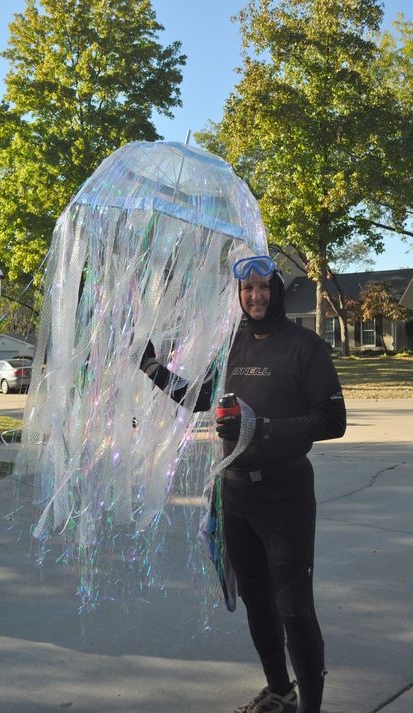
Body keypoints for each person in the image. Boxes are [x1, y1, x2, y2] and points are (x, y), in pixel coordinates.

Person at [140, 255, 346, 713]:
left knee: (294, 608)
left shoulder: (304, 346)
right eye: (247, 289)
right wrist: (152, 368)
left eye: (263, 287)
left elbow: (333, 420)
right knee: (256, 600)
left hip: (285, 493)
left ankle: (311, 706)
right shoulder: (231, 345)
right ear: (239, 294)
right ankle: (280, 692)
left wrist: (259, 426)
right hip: (235, 493)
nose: (255, 296)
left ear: (275, 290)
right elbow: (200, 400)